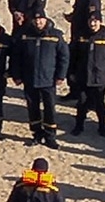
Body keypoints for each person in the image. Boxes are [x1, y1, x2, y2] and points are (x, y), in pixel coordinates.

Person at [12, 10, 67, 149]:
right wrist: (17, 75)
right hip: (30, 78)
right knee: (32, 108)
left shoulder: (55, 35)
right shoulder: (25, 35)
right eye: (35, 20)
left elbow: (64, 57)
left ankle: (50, 136)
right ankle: (37, 133)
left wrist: (61, 75)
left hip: (48, 79)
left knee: (49, 108)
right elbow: (16, 57)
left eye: (41, 19)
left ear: (45, 19)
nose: (38, 22)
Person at [71, 10, 105, 137]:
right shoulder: (81, 36)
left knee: (100, 103)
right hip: (83, 75)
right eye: (90, 21)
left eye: (95, 21)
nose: (92, 24)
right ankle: (79, 126)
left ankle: (102, 126)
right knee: (82, 102)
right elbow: (73, 55)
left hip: (99, 76)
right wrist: (71, 72)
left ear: (100, 22)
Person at [65, 0, 102, 96]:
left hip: (84, 37)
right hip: (75, 34)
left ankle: (81, 94)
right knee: (72, 64)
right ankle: (73, 91)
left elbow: (93, 18)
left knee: (81, 66)